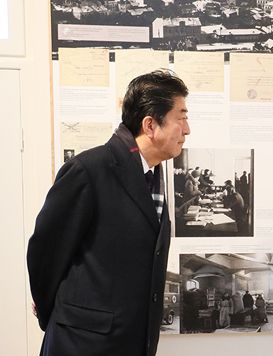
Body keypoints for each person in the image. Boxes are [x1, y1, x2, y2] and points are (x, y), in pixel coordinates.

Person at [27, 70, 190, 356]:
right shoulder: (88, 170)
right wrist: (57, 317)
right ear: (150, 125)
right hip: (82, 344)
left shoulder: (154, 175)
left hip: (130, 342)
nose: (187, 129)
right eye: (181, 117)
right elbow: (46, 252)